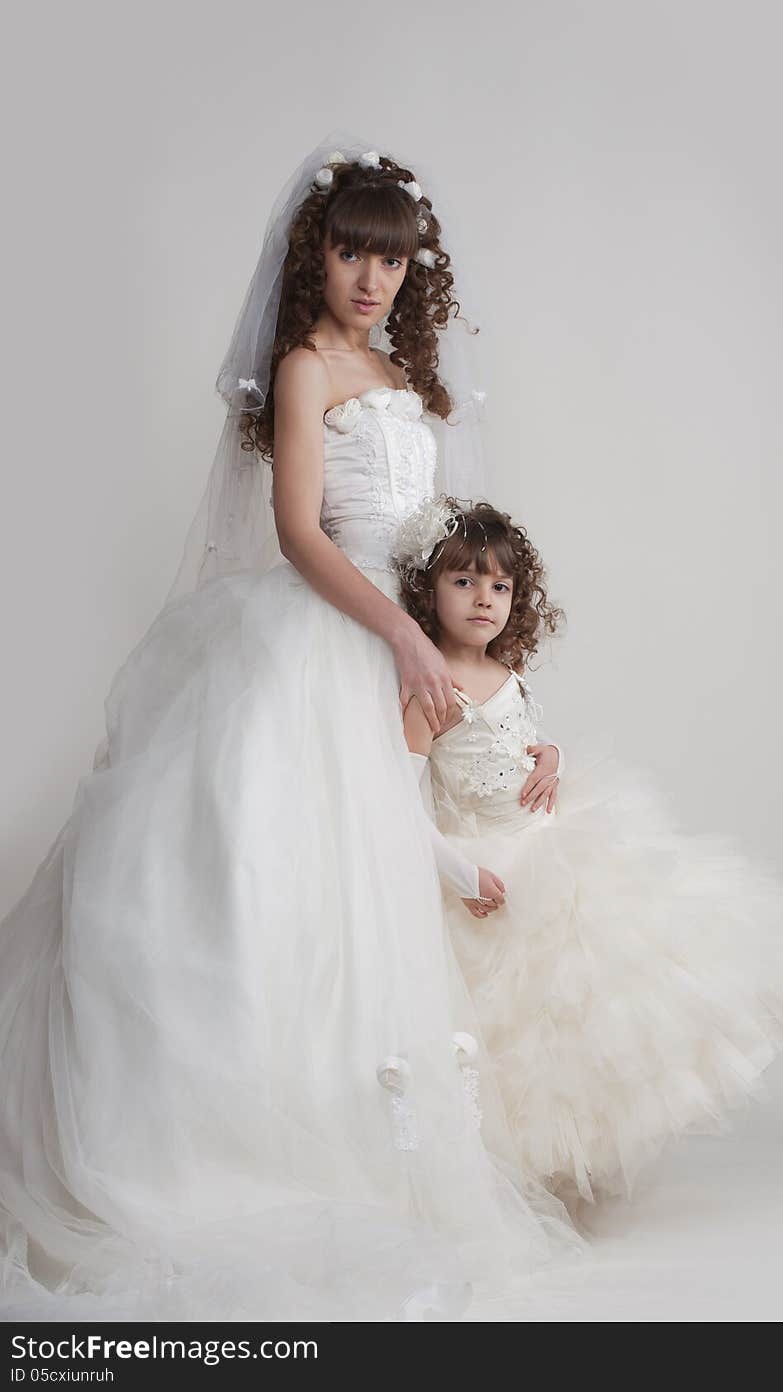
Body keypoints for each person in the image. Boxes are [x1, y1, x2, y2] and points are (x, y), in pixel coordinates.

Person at [0, 133, 587, 1322]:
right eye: (349, 253)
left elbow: (457, 570)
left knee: (368, 898)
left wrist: (508, 712)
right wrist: (405, 638)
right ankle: (231, 1146)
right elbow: (303, 536)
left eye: (392, 258)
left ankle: (358, 1144)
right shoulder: (308, 370)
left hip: (403, 649)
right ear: (313, 258)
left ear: (414, 269)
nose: (370, 278)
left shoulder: (413, 390)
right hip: (321, 636)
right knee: (263, 881)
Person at [398, 495, 783, 1211]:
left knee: (597, 999)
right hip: (486, 870)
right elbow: (400, 802)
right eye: (464, 581)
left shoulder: (512, 676)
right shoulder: (429, 692)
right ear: (429, 591)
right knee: (514, 1031)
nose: (485, 599)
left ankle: (580, 1157)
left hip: (552, 849)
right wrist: (460, 873)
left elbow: (526, 750)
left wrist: (555, 758)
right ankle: (519, 1171)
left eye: (501, 586)